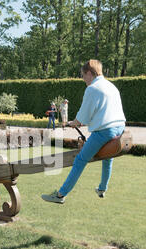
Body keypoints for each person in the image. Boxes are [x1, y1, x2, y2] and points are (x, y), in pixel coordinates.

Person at [42, 59, 126, 204]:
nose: (83, 79)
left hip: (104, 131)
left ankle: (60, 195)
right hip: (120, 128)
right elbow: (100, 112)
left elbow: (83, 115)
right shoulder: (111, 86)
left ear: (89, 73)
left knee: (80, 160)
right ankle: (102, 189)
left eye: (82, 75)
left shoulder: (92, 88)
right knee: (108, 158)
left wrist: (73, 123)